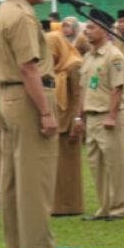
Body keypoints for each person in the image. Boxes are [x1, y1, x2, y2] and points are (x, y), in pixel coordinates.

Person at [0, 0, 70, 248]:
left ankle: (17, 247)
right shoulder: (22, 16)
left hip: (7, 97)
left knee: (12, 178)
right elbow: (28, 67)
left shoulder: (0, 12)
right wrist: (46, 112)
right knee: (35, 178)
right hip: (27, 98)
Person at [79, 15, 124, 221]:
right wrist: (78, 117)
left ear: (104, 30)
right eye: (86, 28)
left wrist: (112, 115)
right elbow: (82, 89)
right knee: (95, 164)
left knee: (114, 163)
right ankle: (103, 207)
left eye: (91, 27)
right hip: (91, 116)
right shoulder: (88, 57)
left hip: (108, 117)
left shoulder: (114, 56)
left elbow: (117, 88)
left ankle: (118, 208)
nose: (87, 31)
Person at [47, 30, 84, 217]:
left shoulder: (74, 66)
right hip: (56, 121)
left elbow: (79, 95)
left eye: (50, 50)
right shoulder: (54, 70)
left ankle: (71, 205)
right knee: (57, 167)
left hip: (69, 122)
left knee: (69, 167)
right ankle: (58, 205)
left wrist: (77, 120)